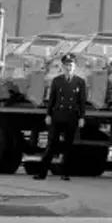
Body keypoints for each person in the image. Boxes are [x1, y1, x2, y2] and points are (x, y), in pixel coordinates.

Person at [34, 53, 87, 181]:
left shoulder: (80, 82)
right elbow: (52, 99)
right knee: (52, 144)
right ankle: (42, 172)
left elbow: (82, 101)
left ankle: (65, 172)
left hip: (72, 116)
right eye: (66, 65)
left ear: (75, 66)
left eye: (71, 65)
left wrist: (82, 117)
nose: (68, 67)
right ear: (62, 67)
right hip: (57, 115)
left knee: (68, 145)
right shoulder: (57, 80)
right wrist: (48, 114)